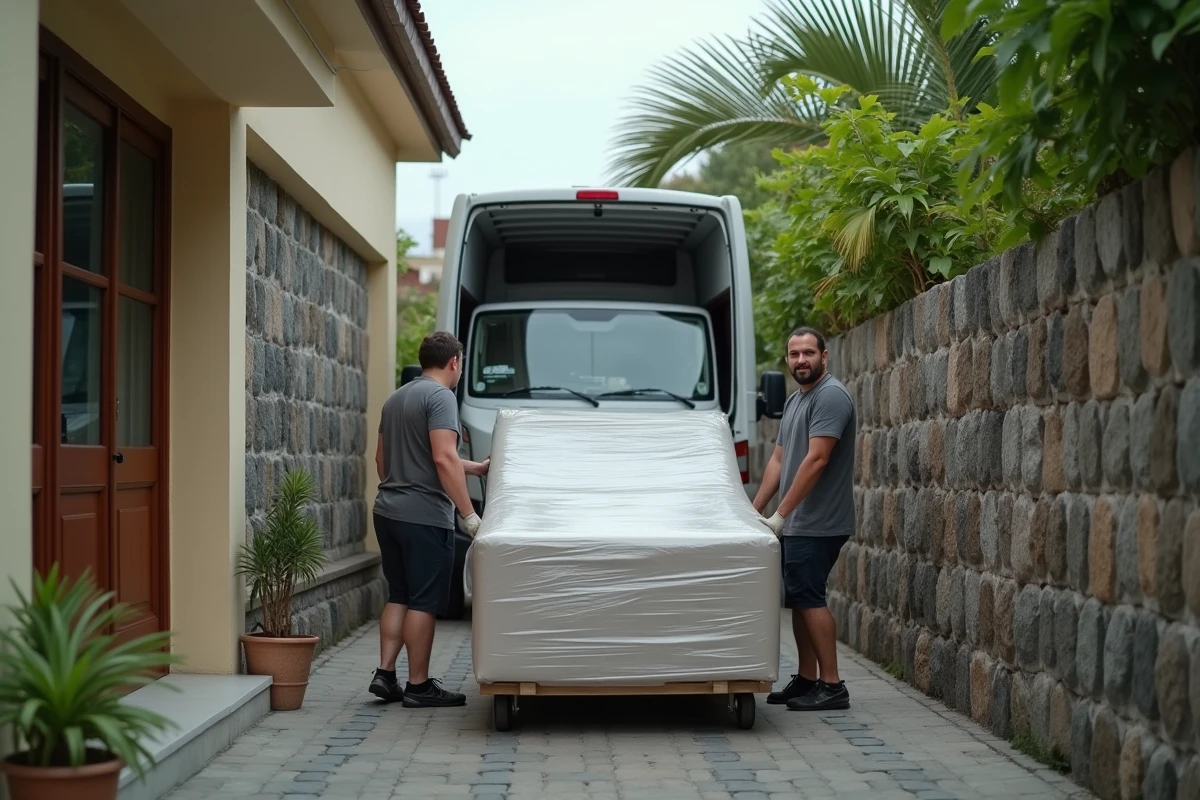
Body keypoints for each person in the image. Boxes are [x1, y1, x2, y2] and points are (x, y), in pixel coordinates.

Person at [368, 331, 489, 707]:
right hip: (424, 517)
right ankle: (419, 686)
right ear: (454, 362)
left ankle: (386, 675)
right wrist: (469, 516)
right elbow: (442, 458)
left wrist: (477, 469)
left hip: (388, 510)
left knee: (399, 594)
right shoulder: (441, 398)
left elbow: (382, 462)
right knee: (423, 601)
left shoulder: (396, 398)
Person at [752, 326, 857, 712]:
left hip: (819, 521)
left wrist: (780, 515)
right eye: (794, 354)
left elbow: (817, 459)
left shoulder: (830, 397)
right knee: (799, 598)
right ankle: (808, 678)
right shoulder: (798, 401)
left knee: (810, 598)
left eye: (808, 353)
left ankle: (832, 685)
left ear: (824, 356)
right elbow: (780, 460)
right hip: (798, 522)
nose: (801, 361)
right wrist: (756, 510)